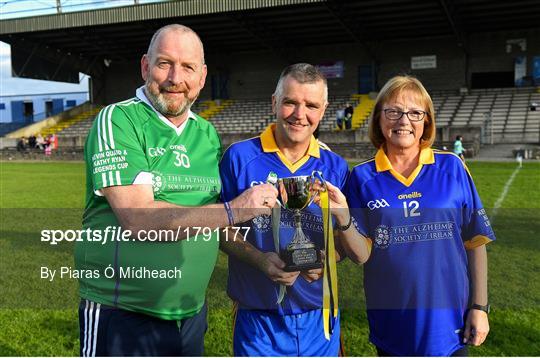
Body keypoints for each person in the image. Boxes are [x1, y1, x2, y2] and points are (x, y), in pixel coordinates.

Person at [75, 24, 277, 357]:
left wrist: (262, 260)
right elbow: (138, 220)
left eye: (187, 67)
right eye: (164, 63)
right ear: (145, 67)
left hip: (190, 314)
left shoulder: (207, 134)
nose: (175, 77)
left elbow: (212, 222)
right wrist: (235, 209)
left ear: (202, 75)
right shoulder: (118, 120)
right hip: (123, 312)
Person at [324, 75, 495, 356]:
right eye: (393, 111)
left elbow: (476, 242)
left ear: (426, 121)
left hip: (450, 326)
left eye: (415, 112)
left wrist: (479, 307)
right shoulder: (362, 178)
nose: (404, 120)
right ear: (378, 119)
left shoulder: (452, 167)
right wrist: (342, 217)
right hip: (393, 324)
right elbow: (359, 254)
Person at [219, 63, 349, 356]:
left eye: (311, 105)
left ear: (324, 109)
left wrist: (327, 259)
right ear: (275, 102)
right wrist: (260, 260)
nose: (299, 115)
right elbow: (220, 229)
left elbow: (345, 236)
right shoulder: (239, 158)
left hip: (320, 319)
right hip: (259, 320)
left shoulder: (337, 167)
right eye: (290, 102)